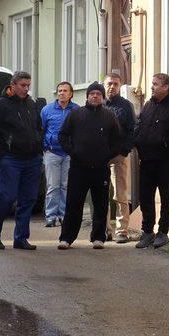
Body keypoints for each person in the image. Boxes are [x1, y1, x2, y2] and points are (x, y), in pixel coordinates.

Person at [57, 82, 121, 250]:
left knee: (100, 204)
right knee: (73, 204)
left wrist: (107, 156)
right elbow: (63, 136)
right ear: (87, 96)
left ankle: (98, 238)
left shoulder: (109, 116)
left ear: (102, 97)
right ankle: (66, 238)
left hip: (101, 169)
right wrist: (73, 152)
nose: (94, 96)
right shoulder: (75, 115)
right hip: (78, 168)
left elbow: (117, 140)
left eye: (98, 94)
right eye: (92, 93)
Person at [0, 71, 43, 251]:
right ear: (13, 85)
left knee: (28, 199)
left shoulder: (31, 104)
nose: (26, 89)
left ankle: (21, 238)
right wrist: (2, 156)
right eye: (23, 85)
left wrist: (38, 147)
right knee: (7, 197)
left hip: (32, 159)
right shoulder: (1, 105)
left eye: (28, 85)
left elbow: (38, 128)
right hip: (11, 159)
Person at [134, 73, 169, 248]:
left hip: (165, 161)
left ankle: (163, 232)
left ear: (166, 87)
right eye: (152, 83)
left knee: (166, 197)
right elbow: (139, 125)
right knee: (145, 197)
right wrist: (137, 140)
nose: (152, 87)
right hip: (146, 159)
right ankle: (147, 232)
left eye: (155, 84)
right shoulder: (148, 105)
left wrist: (164, 143)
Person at [40, 81, 79, 227]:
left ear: (71, 94)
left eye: (65, 90)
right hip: (52, 153)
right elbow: (41, 130)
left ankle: (63, 215)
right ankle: (50, 216)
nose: (61, 93)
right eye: (59, 90)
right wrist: (45, 146)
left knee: (66, 186)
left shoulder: (76, 110)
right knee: (52, 186)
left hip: (69, 154)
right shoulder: (47, 110)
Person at [104, 73, 136, 243]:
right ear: (104, 85)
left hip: (118, 156)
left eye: (116, 84)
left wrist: (124, 150)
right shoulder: (98, 104)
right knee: (102, 194)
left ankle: (121, 230)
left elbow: (133, 130)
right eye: (109, 83)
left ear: (120, 86)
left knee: (120, 193)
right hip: (100, 157)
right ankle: (104, 229)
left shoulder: (126, 106)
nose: (112, 87)